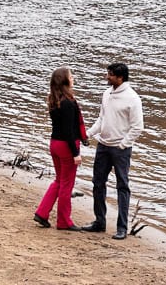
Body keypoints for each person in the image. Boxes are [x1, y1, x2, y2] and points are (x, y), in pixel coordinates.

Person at [80, 61, 144, 238]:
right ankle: (99, 222)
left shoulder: (132, 98)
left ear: (120, 77)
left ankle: (121, 228)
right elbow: (102, 119)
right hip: (103, 146)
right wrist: (88, 134)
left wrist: (123, 144)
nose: (106, 77)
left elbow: (137, 127)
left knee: (122, 186)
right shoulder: (107, 94)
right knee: (97, 183)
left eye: (110, 74)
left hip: (120, 150)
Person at [33, 66, 88, 230]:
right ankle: (64, 221)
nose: (73, 79)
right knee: (66, 185)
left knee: (59, 181)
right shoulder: (69, 103)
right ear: (65, 80)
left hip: (54, 144)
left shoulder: (53, 100)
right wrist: (76, 153)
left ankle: (42, 213)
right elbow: (69, 131)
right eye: (71, 76)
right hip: (66, 146)